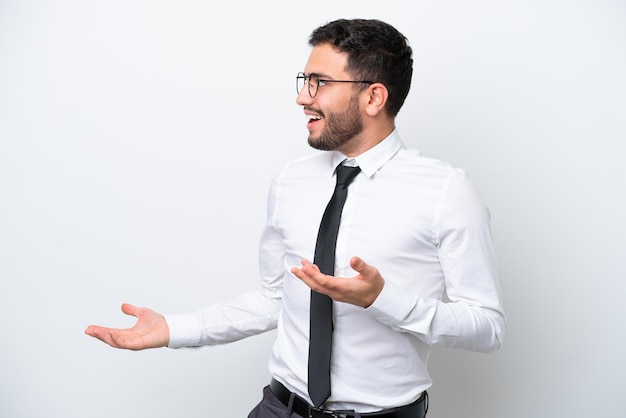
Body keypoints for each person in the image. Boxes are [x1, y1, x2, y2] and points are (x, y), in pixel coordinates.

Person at [85, 18, 505, 418]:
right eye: (305, 81)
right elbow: (274, 298)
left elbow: (487, 326)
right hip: (279, 409)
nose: (303, 97)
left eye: (320, 83)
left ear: (373, 97)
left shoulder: (446, 191)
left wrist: (384, 301)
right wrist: (174, 329)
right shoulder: (291, 181)